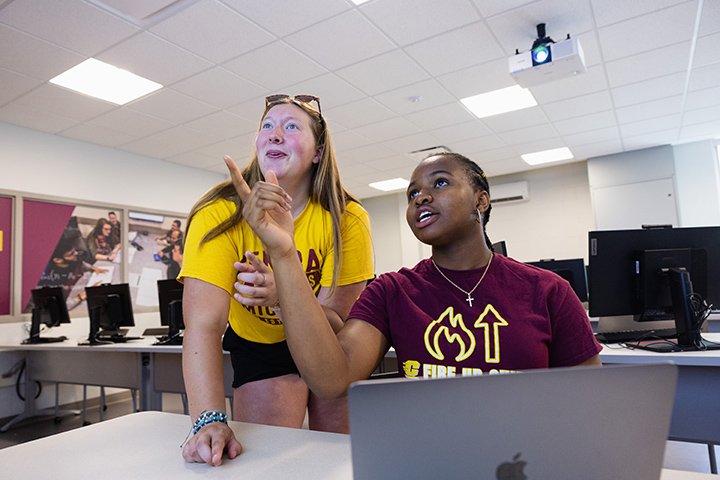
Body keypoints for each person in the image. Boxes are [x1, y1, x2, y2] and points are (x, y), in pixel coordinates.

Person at [228, 151, 602, 401]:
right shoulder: (393, 292)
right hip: (429, 457)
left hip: (525, 460)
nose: (421, 197)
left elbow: (591, 400)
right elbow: (330, 379)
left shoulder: (548, 290)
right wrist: (284, 252)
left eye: (439, 183)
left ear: (481, 201)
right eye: (412, 194)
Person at [179, 94, 374, 465]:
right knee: (266, 463)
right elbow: (203, 325)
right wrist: (207, 420)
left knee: (339, 459)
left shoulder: (346, 218)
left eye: (291, 126)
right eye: (267, 126)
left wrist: (285, 296)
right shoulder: (219, 214)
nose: (275, 134)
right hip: (261, 343)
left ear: (318, 152)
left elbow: (341, 323)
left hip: (329, 343)